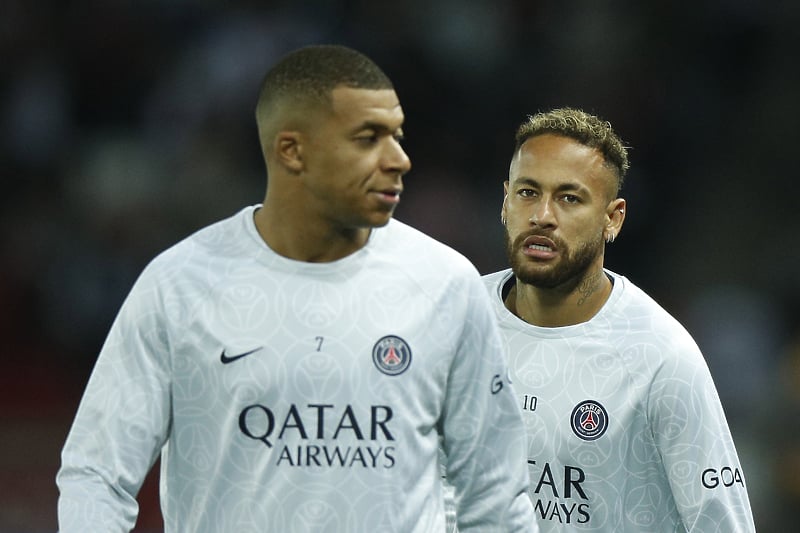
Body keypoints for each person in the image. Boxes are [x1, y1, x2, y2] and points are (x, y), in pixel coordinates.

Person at [56, 44, 537, 532]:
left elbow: (495, 495)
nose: (399, 160)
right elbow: (96, 475)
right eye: (368, 138)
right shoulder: (182, 284)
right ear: (292, 151)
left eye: (397, 136)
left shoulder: (444, 284)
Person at [484, 107, 756, 531]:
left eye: (569, 198)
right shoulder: (456, 314)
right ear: (505, 200)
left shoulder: (660, 357)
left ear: (613, 219)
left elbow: (721, 522)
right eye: (527, 192)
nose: (542, 216)